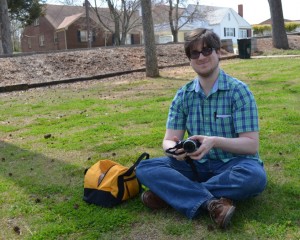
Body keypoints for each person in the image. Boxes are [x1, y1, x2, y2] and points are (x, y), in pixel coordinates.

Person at [136, 28, 267, 229]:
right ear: (189, 59)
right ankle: (211, 203)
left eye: (207, 50)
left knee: (255, 177)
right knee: (145, 168)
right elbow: (169, 138)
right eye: (194, 53)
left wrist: (214, 141)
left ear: (218, 52)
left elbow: (251, 145)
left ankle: (172, 195)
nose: (201, 57)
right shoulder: (183, 95)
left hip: (232, 165)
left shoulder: (239, 92)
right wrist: (173, 149)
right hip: (194, 165)